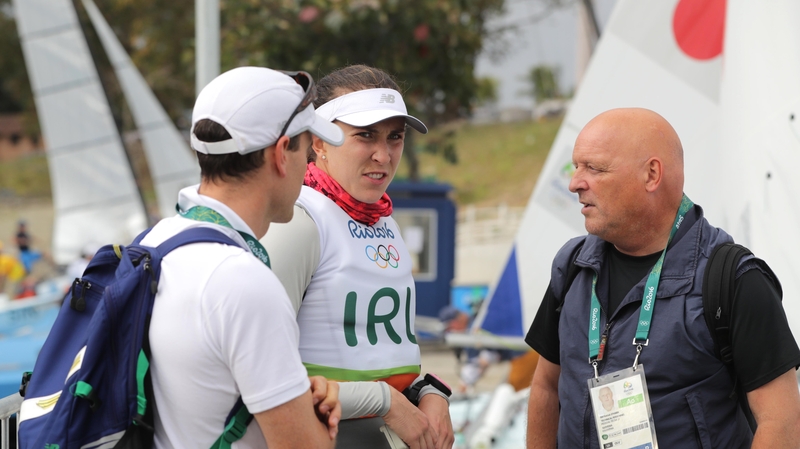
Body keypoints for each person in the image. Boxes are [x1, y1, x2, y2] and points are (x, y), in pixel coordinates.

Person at [525, 108, 800, 448]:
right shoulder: (573, 266)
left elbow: (781, 423)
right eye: (576, 166)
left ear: (652, 174)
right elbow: (546, 387)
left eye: (593, 168)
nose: (574, 183)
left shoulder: (733, 279)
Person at [139, 66, 345, 448]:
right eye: (307, 149)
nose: (309, 167)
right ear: (282, 153)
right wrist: (316, 418)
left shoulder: (157, 242)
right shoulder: (242, 282)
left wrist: (296, 393)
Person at [261, 65, 454, 449]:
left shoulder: (383, 219)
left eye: (395, 137)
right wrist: (384, 402)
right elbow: (259, 378)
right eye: (365, 135)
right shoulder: (300, 221)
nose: (383, 155)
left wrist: (430, 392)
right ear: (319, 142)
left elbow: (379, 351)